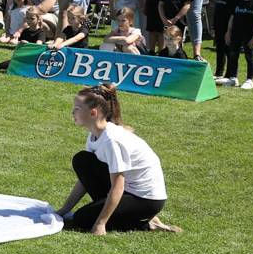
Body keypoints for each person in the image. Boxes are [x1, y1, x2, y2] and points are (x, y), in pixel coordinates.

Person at [55, 84, 180, 235]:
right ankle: (125, 215)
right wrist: (64, 209)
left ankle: (145, 221)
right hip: (128, 191)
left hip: (146, 201)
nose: (72, 112)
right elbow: (85, 179)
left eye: (77, 108)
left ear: (93, 113)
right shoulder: (94, 134)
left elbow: (117, 186)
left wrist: (101, 224)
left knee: (82, 219)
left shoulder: (111, 141)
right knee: (82, 160)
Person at [212, 0, 253, 90]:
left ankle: (249, 79)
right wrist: (228, 32)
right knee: (233, 55)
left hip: (249, 35)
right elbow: (232, 17)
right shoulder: (238, 1)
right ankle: (233, 78)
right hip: (236, 34)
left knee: (249, 56)